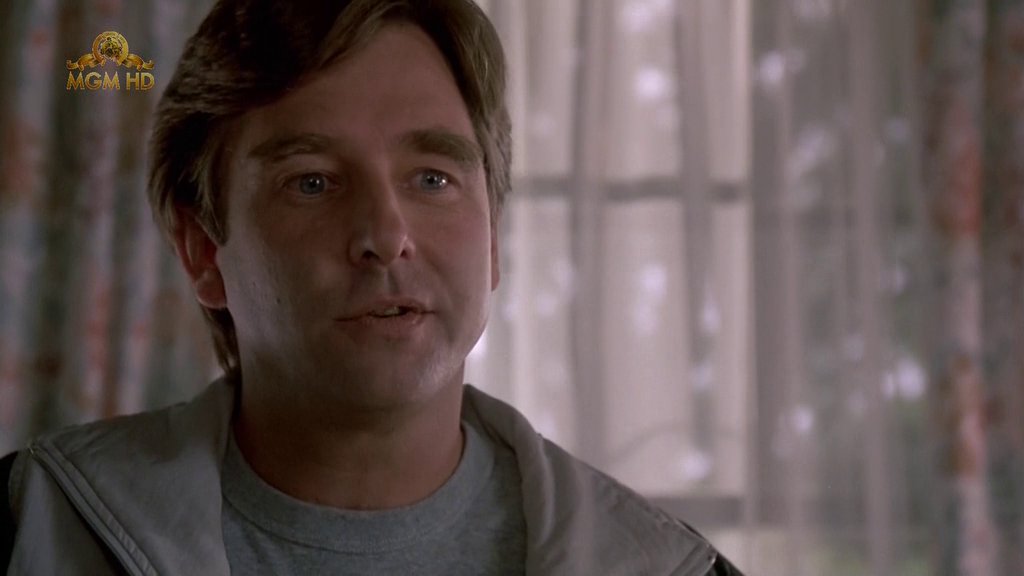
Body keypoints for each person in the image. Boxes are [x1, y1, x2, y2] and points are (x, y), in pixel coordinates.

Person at [0, 0, 743, 574]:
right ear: (202, 251)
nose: (386, 235)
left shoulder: (663, 566)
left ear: (492, 241)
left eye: (433, 178)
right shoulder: (32, 526)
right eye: (312, 182)